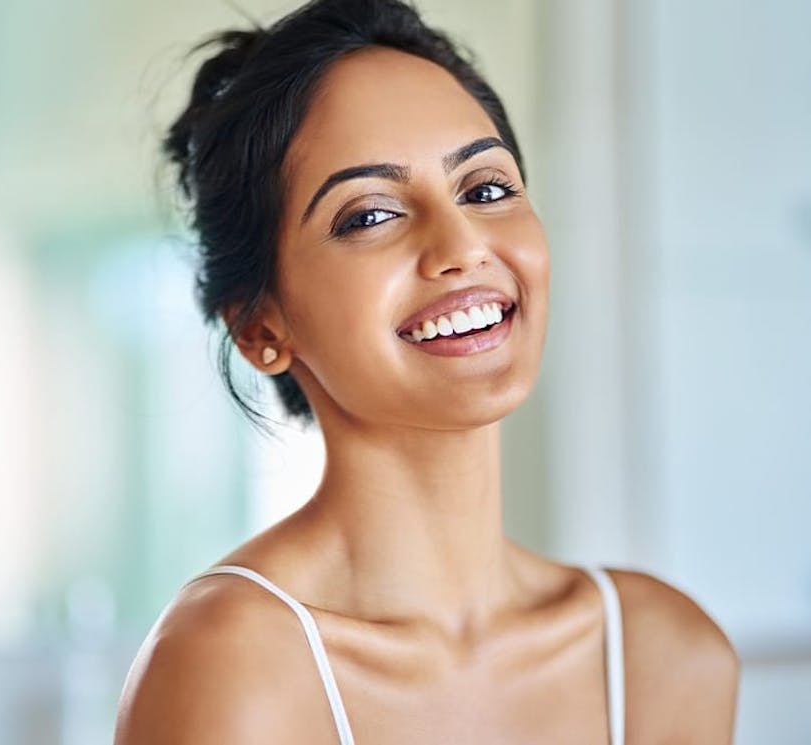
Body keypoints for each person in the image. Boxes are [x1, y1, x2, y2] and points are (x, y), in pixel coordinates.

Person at [115, 1, 740, 742]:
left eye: (485, 189)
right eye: (371, 214)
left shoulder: (664, 654)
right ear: (261, 327)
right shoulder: (232, 664)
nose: (463, 244)